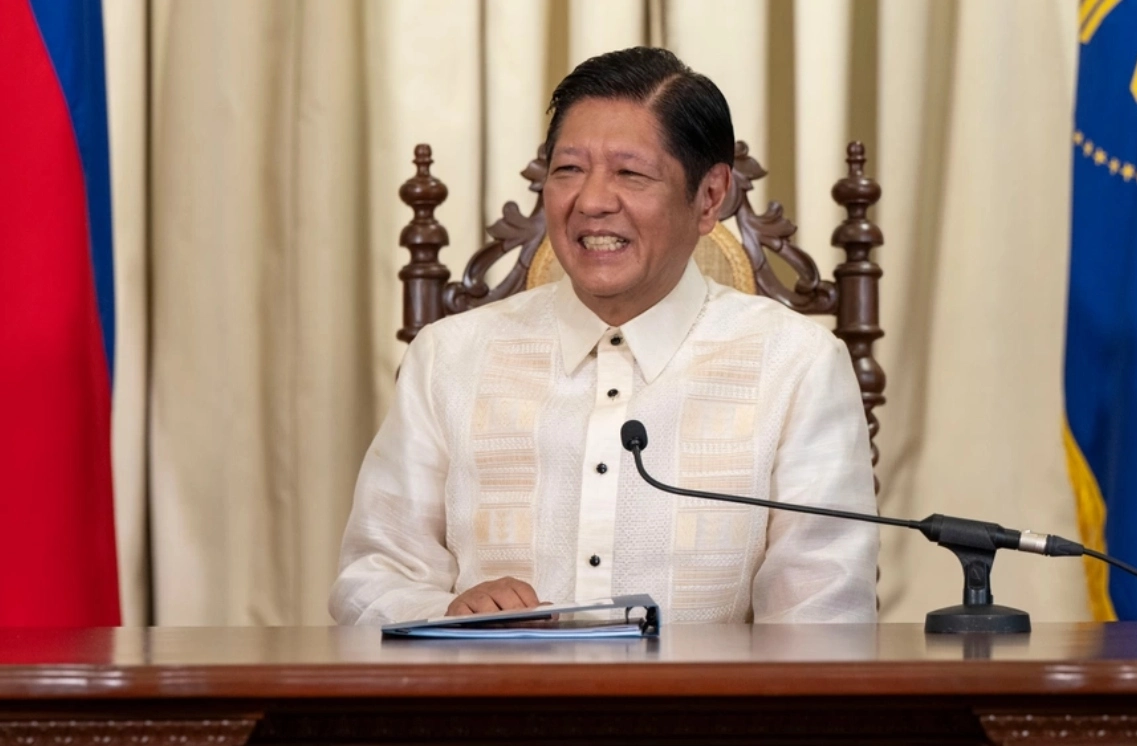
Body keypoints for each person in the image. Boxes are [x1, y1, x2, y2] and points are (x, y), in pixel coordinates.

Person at [330, 46, 877, 625]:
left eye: (630, 173)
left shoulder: (797, 365)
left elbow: (823, 621)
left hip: (708, 715)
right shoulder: (449, 358)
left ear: (710, 196)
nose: (590, 202)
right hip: (493, 709)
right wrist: (449, 613)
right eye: (567, 170)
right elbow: (371, 582)